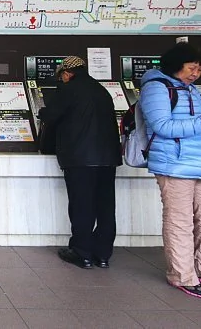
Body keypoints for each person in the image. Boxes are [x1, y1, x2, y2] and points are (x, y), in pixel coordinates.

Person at [140, 43, 201, 299]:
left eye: (199, 69)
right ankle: (182, 275)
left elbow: (199, 124)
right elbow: (162, 126)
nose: (196, 73)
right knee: (180, 222)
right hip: (174, 164)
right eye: (192, 67)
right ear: (175, 65)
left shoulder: (192, 90)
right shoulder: (156, 88)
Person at [38, 56, 122, 270]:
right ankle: (102, 254)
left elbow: (51, 115)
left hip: (81, 158)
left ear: (67, 73)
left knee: (82, 205)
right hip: (107, 158)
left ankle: (81, 252)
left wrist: (42, 111)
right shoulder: (102, 91)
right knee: (105, 206)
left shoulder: (69, 89)